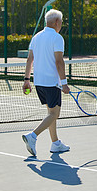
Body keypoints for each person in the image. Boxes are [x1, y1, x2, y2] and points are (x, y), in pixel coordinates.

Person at [22, 9, 70, 157]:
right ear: (57, 22)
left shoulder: (36, 37)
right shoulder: (57, 38)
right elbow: (59, 62)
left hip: (39, 83)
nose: (61, 24)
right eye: (61, 22)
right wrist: (64, 83)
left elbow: (30, 59)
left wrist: (26, 80)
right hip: (51, 83)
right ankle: (33, 136)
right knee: (54, 114)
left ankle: (55, 143)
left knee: (50, 113)